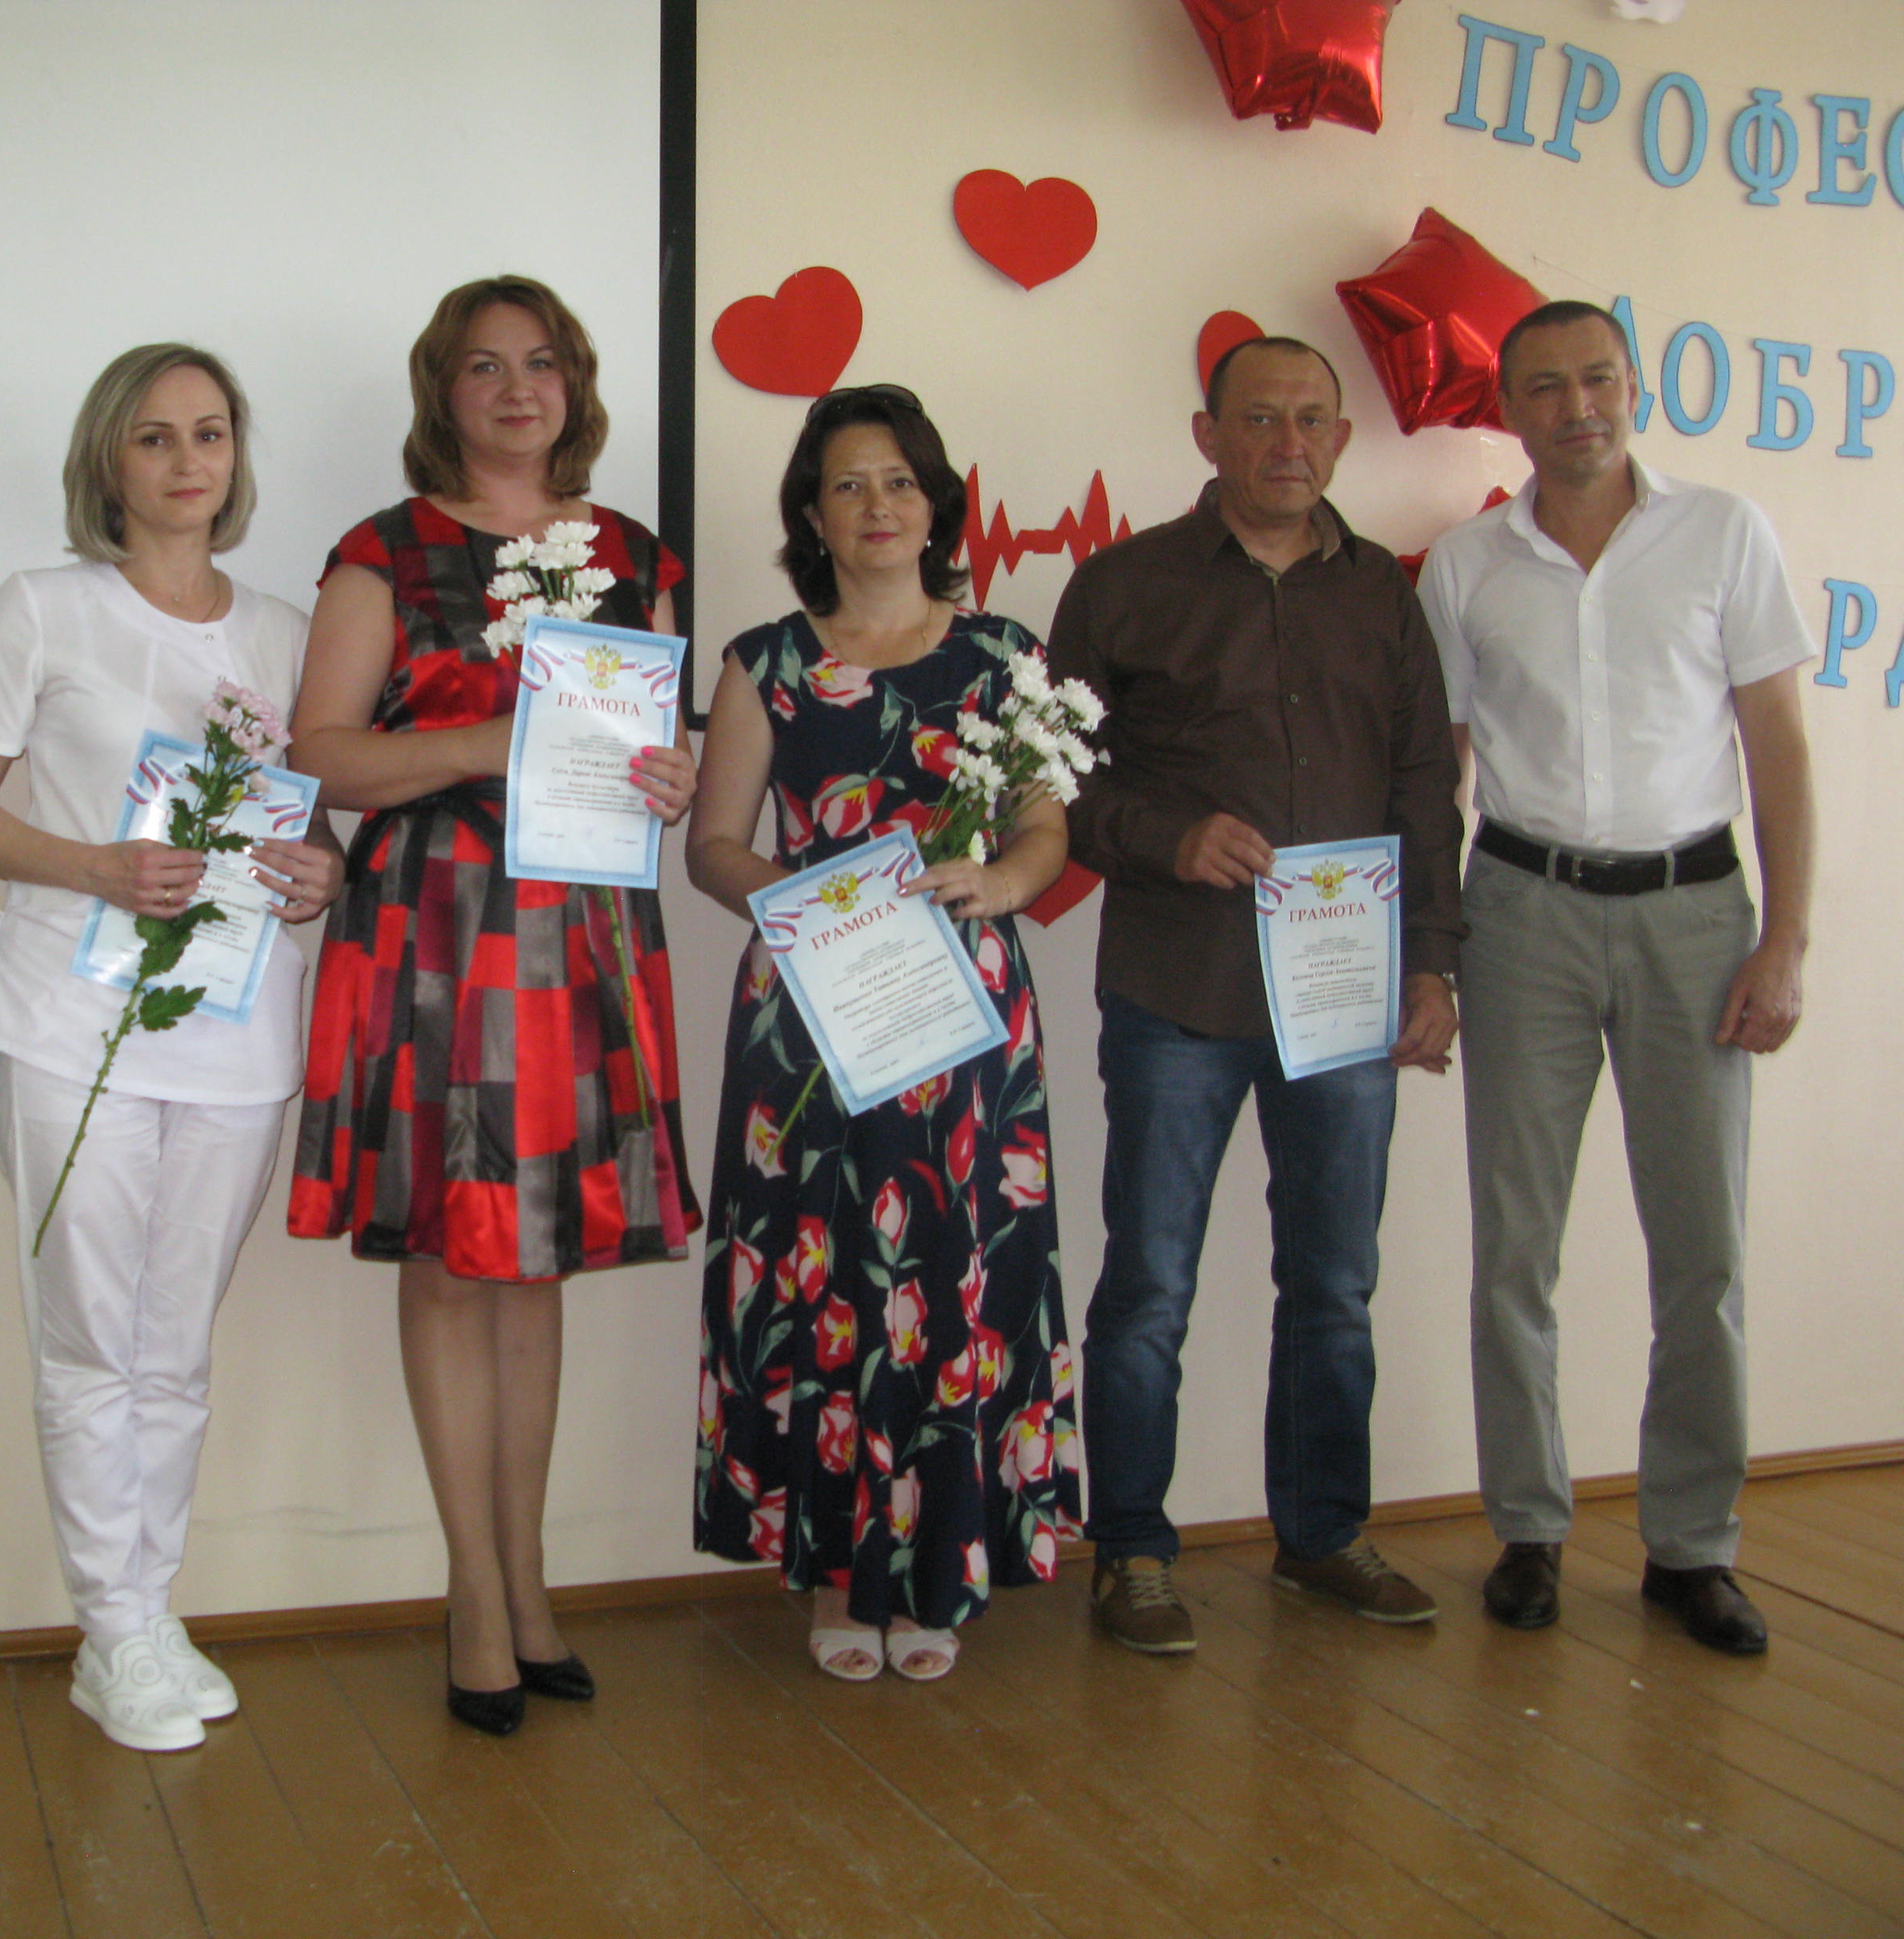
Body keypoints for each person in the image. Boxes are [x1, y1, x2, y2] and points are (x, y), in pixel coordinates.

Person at [287, 275, 699, 1735]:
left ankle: (529, 1588)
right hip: (437, 934)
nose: (517, 389)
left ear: (574, 385)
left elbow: (651, 745)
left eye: (542, 363)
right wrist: (485, 739)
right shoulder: (384, 551)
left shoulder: (634, 556)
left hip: (583, 937)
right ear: (442, 393)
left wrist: (671, 772)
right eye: (483, 366)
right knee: (456, 1267)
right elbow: (323, 756)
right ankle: (473, 1593)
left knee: (537, 1266)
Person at [0, 345, 343, 1749]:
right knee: (91, 1338)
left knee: (175, 1346)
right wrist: (95, 867)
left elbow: (313, 824)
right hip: (67, 1024)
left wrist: (323, 873)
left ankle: (149, 1615)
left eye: (210, 434)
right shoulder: (43, 609)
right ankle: (114, 1629)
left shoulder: (288, 634)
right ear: (110, 459)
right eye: (155, 437)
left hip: (237, 1032)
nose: (186, 462)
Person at [1048, 336, 1464, 1655]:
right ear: (1208, 435)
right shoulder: (1123, 587)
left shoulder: (1384, 595)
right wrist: (1165, 836)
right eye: (1261, 419)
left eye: (1311, 420)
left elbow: (1423, 788)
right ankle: (1132, 1553)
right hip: (1178, 986)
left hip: (1344, 998)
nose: (1289, 443)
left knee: (1335, 1285)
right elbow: (1054, 782)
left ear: (1340, 438)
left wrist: (1434, 963)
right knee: (1149, 1286)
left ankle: (1323, 1538)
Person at [1418, 301, 1815, 1656]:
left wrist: (1786, 939)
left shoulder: (1724, 534)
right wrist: (1431, 952)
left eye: (1597, 378)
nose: (1575, 406)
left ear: (1634, 387)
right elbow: (1441, 773)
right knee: (1514, 1245)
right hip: (1521, 914)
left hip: (1694, 917)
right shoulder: (1466, 564)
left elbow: (1779, 744)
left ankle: (1693, 1547)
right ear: (1509, 409)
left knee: (1704, 1251)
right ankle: (1528, 1529)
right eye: (1544, 386)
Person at [687, 385, 1083, 1683]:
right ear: (812, 513)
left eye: (899, 481)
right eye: (848, 484)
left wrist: (1005, 881)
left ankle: (939, 1571)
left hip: (964, 1018)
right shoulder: (765, 663)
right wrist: (813, 904)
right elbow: (715, 848)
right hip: (814, 1013)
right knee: (830, 1282)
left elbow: (1043, 825)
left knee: (949, 1280)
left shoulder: (1004, 656)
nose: (876, 506)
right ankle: (835, 1576)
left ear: (935, 504)